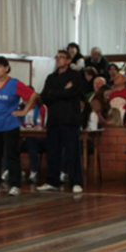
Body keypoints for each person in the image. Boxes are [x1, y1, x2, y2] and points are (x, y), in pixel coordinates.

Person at [0, 56, 38, 196]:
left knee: (11, 154)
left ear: (6, 68)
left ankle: (15, 184)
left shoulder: (14, 83)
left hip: (10, 124)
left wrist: (24, 111)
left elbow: (33, 95)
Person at [37, 49, 86, 193]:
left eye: (62, 57)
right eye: (57, 57)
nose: (58, 60)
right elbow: (44, 96)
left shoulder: (75, 75)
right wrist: (60, 91)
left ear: (69, 61)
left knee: (72, 152)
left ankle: (76, 182)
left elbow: (72, 93)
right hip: (53, 119)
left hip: (70, 119)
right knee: (52, 152)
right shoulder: (51, 77)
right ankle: (52, 181)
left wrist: (55, 92)